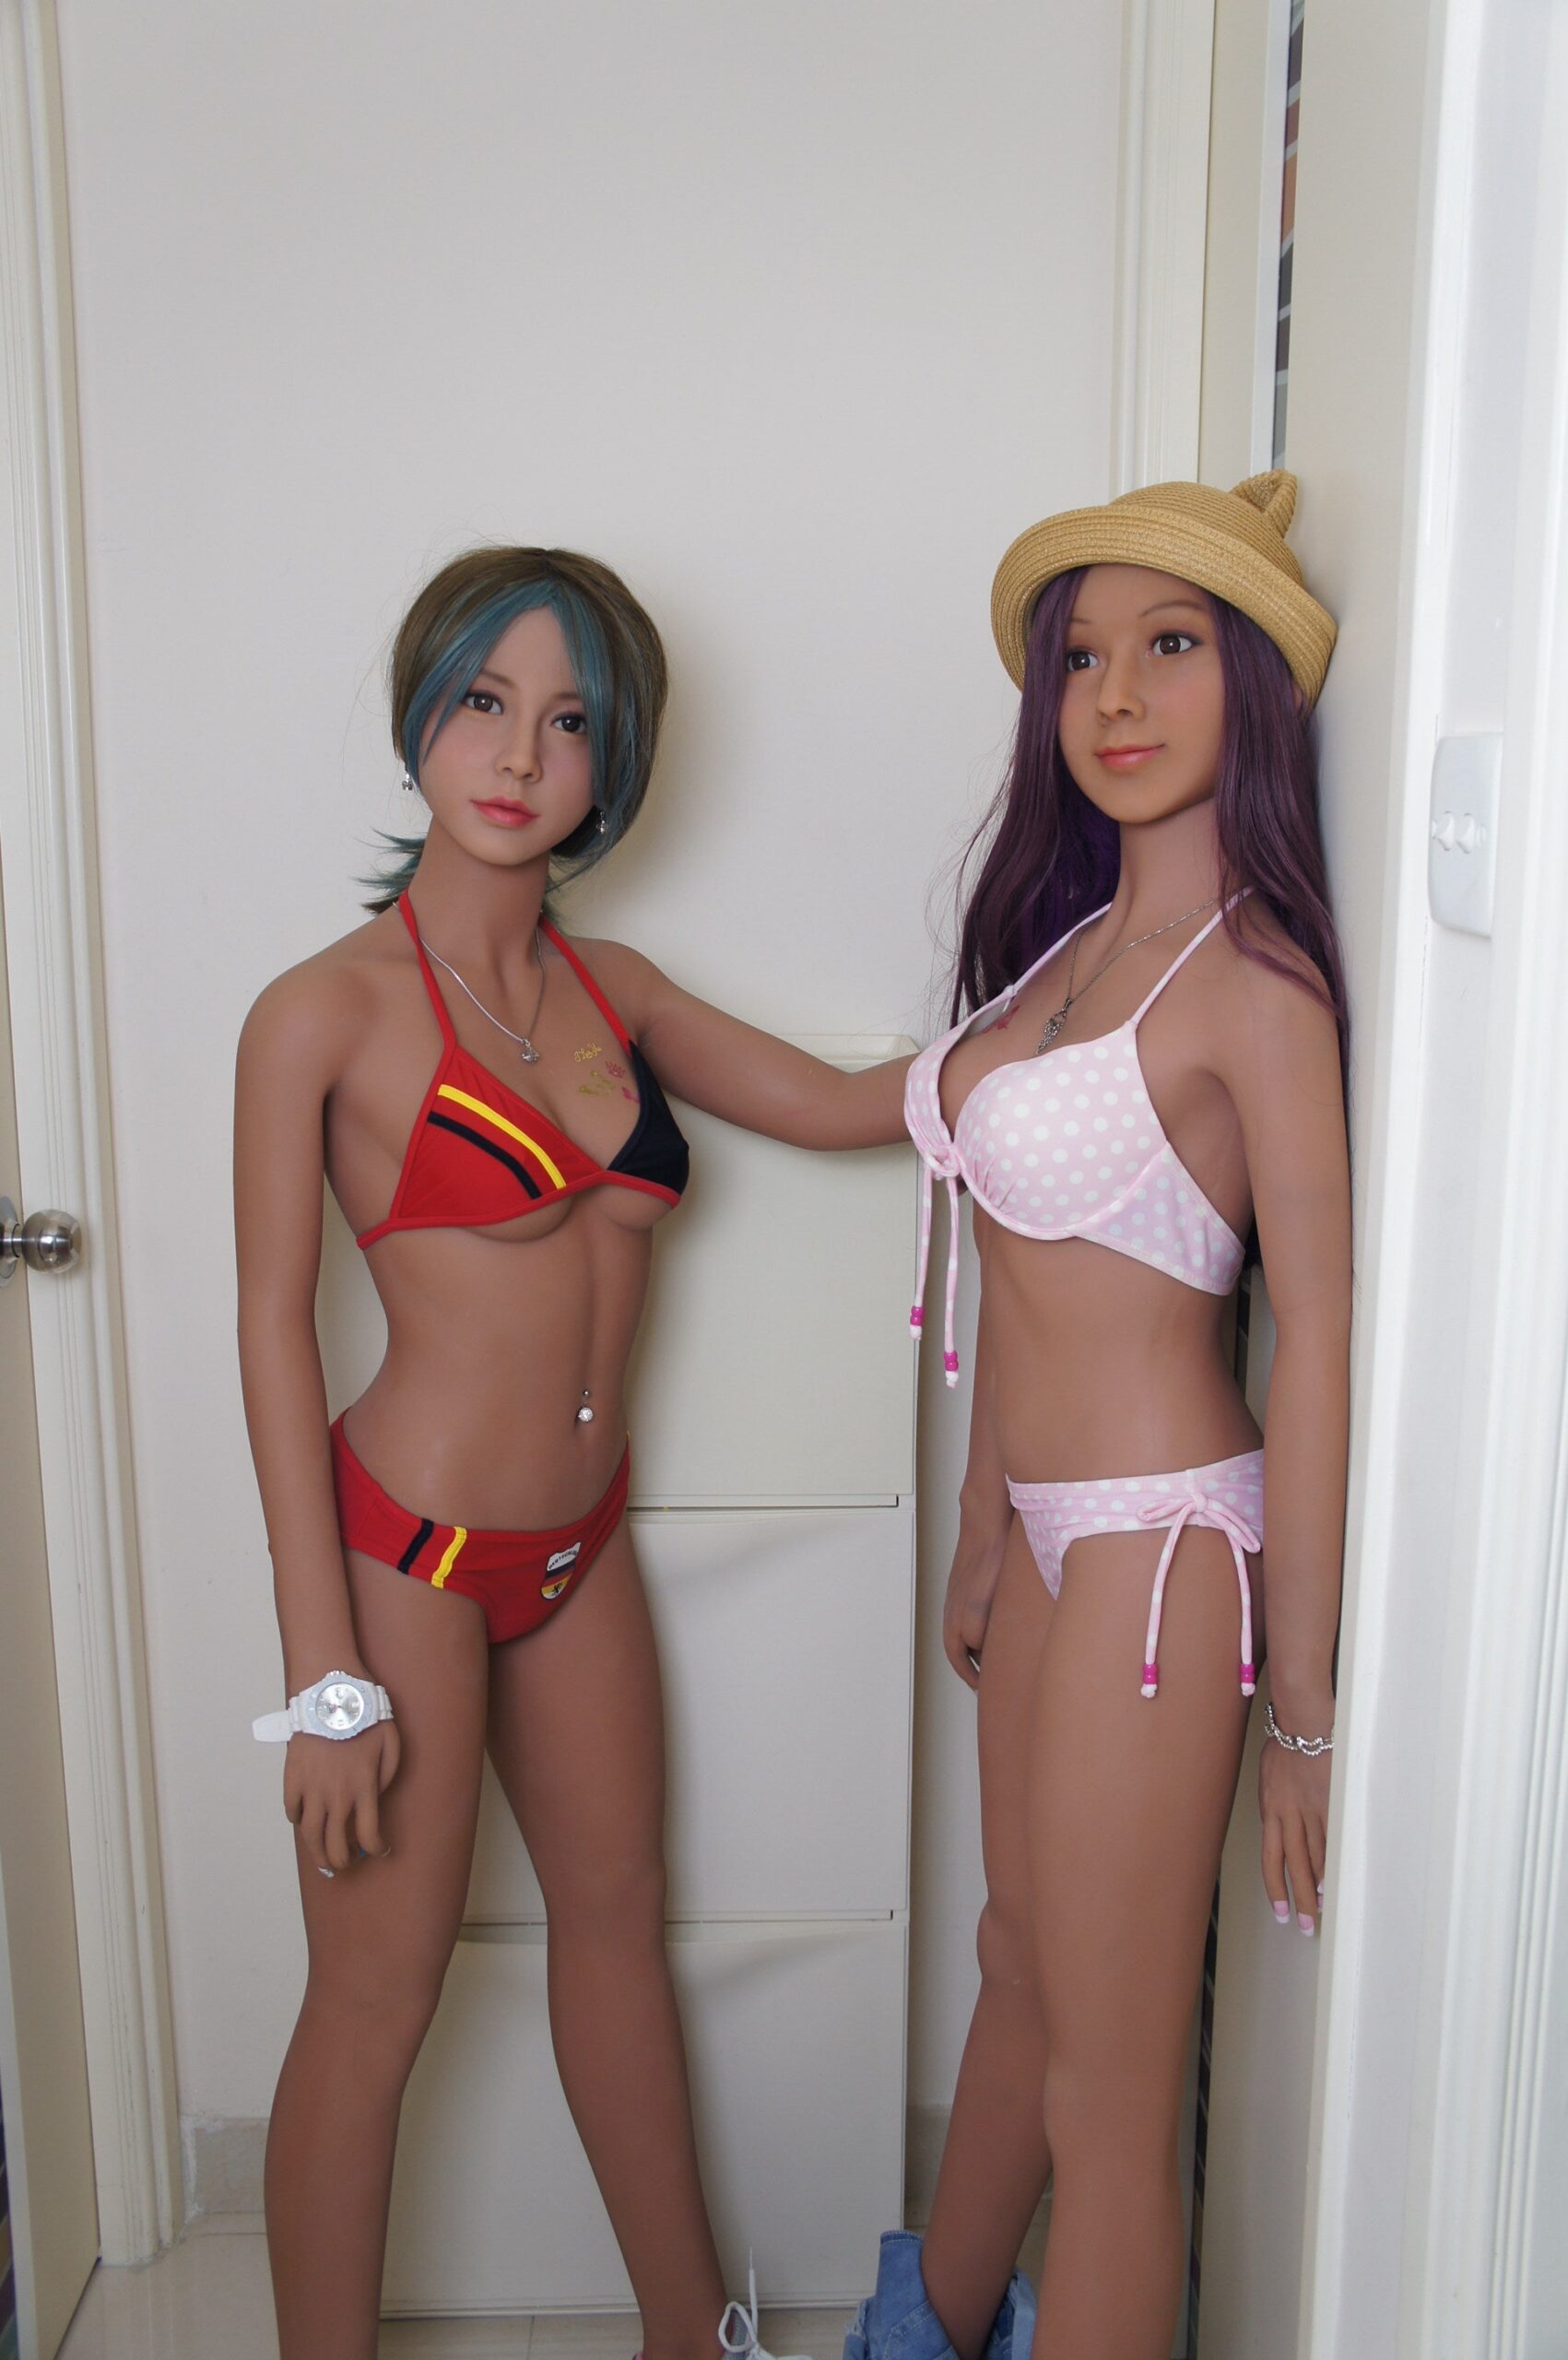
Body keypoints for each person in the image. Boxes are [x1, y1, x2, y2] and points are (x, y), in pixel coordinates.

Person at [234, 545, 909, 2360]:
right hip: (404, 1554)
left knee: (618, 1929)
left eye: (570, 719)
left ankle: (693, 2333)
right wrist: (321, 1675)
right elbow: (270, 1333)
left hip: (577, 1544)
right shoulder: (321, 1012)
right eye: (482, 702)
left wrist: (1092, 1010)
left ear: (615, 761)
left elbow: (852, 1105)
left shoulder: (621, 989)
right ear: (418, 717)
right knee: (373, 2004)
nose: (520, 754)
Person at [846, 473, 1350, 2360]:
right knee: (1017, 1966)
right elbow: (1012, 1264)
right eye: (1080, 659)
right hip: (1054, 1545)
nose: (1115, 695)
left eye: (1169, 646)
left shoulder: (1257, 989)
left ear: (1253, 686)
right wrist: (985, 1522)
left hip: (1162, 1551)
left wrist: (1300, 1713)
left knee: (1109, 2104)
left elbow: (1319, 1338)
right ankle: (924, 2328)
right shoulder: (1062, 962)